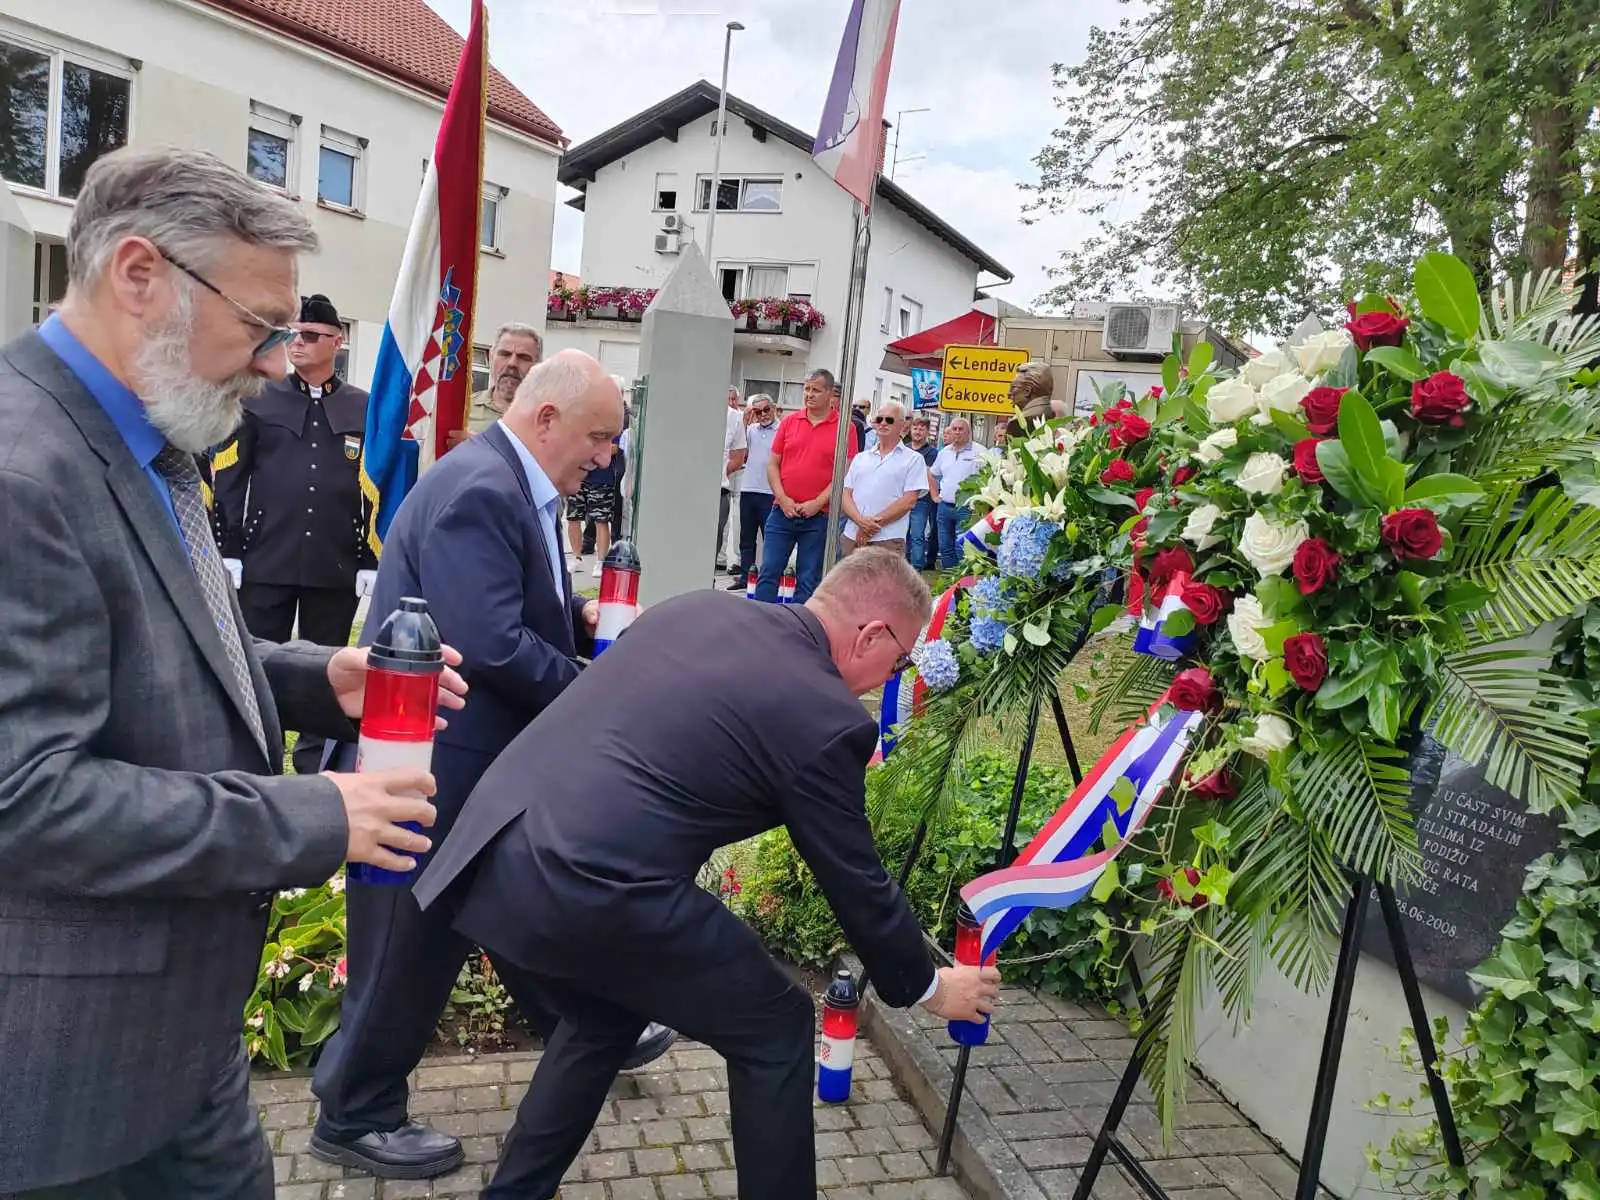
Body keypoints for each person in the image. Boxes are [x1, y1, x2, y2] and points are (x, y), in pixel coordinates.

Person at [0, 146, 465, 1199]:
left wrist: (317, 678)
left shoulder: (141, 435)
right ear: (139, 275)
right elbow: (25, 797)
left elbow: (151, 649)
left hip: (176, 1040)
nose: (272, 362)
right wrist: (310, 816)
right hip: (74, 1083)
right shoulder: (24, 473)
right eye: (259, 328)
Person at [411, 553, 1002, 1199]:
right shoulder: (824, 715)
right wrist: (928, 987)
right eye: (901, 662)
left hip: (497, 846)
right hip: (595, 884)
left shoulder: (700, 607)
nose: (891, 677)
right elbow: (855, 879)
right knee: (777, 1028)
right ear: (872, 635)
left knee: (603, 1020)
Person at [310, 351, 675, 1181]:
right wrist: (598, 689)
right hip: (434, 761)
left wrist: (577, 616)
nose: (605, 456)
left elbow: (513, 610)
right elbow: (491, 643)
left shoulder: (507, 482)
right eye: (599, 436)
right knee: (409, 942)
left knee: (506, 907)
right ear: (547, 419)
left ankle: (586, 1022)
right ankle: (355, 1112)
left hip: (467, 760)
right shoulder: (483, 488)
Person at [211, 292, 374, 775]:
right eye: (293, 335)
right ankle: (255, 764)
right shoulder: (261, 398)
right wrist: (230, 546)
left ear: (336, 342)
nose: (297, 343)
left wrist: (371, 555)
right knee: (257, 665)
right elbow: (231, 473)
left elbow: (376, 487)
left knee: (326, 671)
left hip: (334, 560)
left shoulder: (363, 407)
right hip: (268, 557)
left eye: (310, 336)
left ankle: (314, 769)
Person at [754, 368, 858, 603]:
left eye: (816, 390)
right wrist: (782, 498)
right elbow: (773, 465)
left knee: (808, 578)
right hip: (782, 512)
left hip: (819, 517)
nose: (809, 394)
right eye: (807, 389)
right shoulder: (790, 422)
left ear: (831, 394)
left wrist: (817, 502)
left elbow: (844, 472)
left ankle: (799, 631)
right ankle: (759, 627)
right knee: (769, 571)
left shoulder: (845, 428)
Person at [839, 400, 927, 557]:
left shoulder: (914, 459)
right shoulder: (860, 458)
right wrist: (861, 522)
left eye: (889, 420)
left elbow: (908, 501)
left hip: (888, 539)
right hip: (852, 535)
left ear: (902, 424)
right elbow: (845, 494)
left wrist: (869, 528)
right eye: (879, 419)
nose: (883, 423)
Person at [729, 392, 779, 590]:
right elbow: (739, 447)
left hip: (770, 491)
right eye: (758, 412)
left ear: (773, 408)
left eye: (767, 410)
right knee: (746, 537)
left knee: (771, 538)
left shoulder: (782, 429)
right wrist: (745, 419)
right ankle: (745, 576)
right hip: (749, 488)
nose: (763, 414)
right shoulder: (750, 430)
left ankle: (769, 578)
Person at [466, 323, 543, 436]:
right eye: (505, 354)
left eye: (523, 357)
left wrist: (475, 445)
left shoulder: (547, 419)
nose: (512, 363)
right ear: (491, 357)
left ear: (538, 365)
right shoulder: (465, 411)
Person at [930, 417, 984, 570]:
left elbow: (989, 476)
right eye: (954, 429)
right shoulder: (944, 452)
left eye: (961, 429)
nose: (957, 432)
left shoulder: (980, 452)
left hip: (967, 508)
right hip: (944, 507)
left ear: (969, 432)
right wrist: (934, 495)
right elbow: (932, 474)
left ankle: (963, 583)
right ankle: (950, 583)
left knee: (963, 547)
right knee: (945, 546)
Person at [716, 385, 748, 574]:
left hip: (719, 490)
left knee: (714, 542)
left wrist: (718, 473)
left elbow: (738, 456)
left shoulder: (734, 417)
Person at [905, 414, 939, 569]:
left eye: (922, 428)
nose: (918, 431)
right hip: (902, 498)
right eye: (915, 427)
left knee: (917, 535)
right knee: (901, 534)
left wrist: (934, 495)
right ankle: (902, 565)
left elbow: (930, 475)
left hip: (921, 500)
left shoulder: (932, 453)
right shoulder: (904, 449)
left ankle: (917, 567)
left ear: (927, 432)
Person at [1006, 360, 1060, 438]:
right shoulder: (1050, 413)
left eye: (1013, 388)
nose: (1009, 394)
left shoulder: (1017, 423)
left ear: (1027, 391)